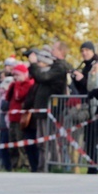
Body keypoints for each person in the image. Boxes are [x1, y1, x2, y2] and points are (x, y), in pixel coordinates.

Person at [27, 41, 72, 172]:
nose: (52, 51)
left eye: (54, 49)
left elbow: (44, 77)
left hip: (52, 109)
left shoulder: (60, 67)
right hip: (43, 109)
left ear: (61, 51)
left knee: (49, 140)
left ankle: (54, 166)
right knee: (42, 141)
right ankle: (43, 166)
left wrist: (34, 64)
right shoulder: (55, 65)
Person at [6, 63, 34, 170]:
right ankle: (15, 165)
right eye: (14, 76)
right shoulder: (15, 85)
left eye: (18, 75)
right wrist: (12, 86)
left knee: (20, 142)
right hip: (13, 117)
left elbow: (19, 96)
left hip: (21, 119)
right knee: (12, 143)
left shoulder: (27, 84)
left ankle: (25, 164)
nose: (16, 78)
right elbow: (8, 97)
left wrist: (17, 85)